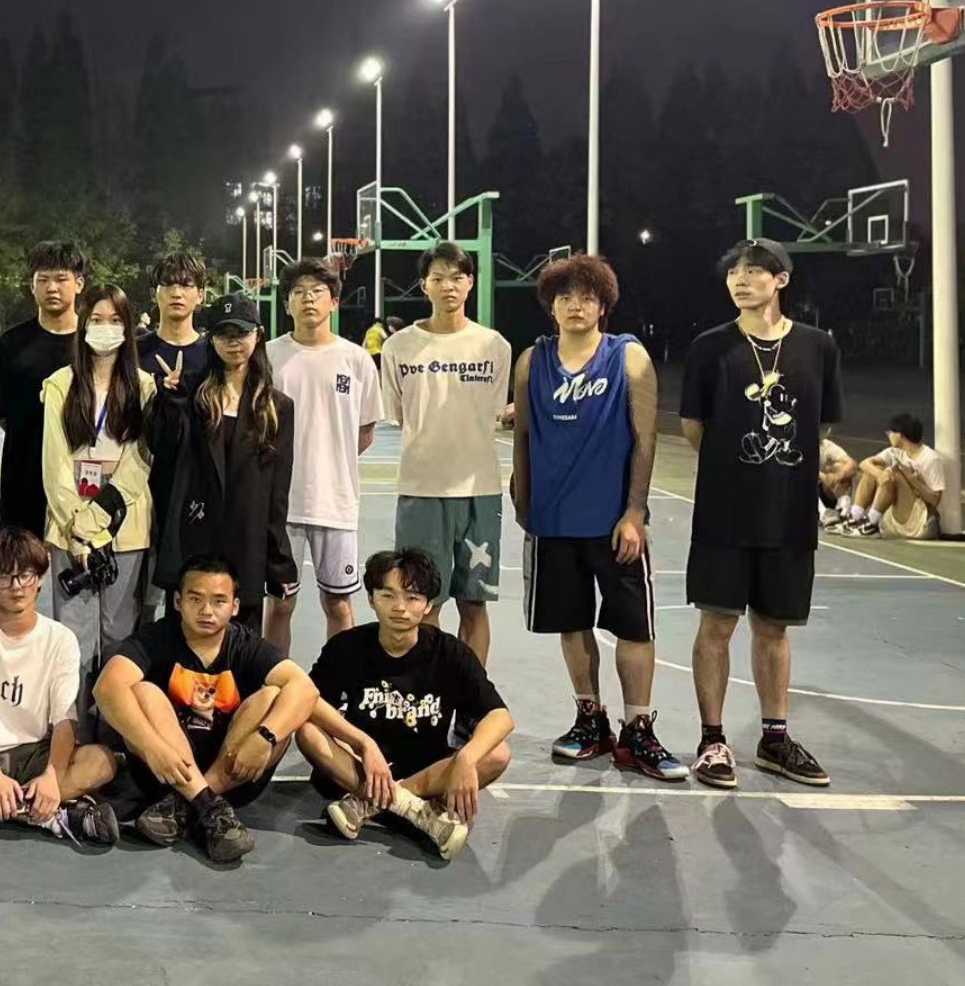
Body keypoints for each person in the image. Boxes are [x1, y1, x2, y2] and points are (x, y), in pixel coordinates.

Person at [511, 255, 685, 781]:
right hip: (553, 520)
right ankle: (591, 719)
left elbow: (645, 438)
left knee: (634, 626)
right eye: (564, 297)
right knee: (572, 623)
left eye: (586, 297)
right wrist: (523, 500)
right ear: (551, 306)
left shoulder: (627, 356)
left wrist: (635, 511)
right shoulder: (532, 361)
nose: (575, 306)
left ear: (603, 305)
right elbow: (523, 435)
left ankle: (638, 729)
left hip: (613, 523)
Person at [680, 238, 841, 790]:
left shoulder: (818, 347)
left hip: (789, 515)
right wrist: (736, 469)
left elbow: (820, 424)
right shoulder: (709, 348)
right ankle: (712, 740)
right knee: (716, 625)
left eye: (754, 271)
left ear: (781, 280)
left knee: (773, 629)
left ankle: (775, 739)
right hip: (724, 513)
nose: (741, 280)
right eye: (734, 273)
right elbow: (694, 426)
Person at [93, 555, 320, 863]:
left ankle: (191, 804)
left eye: (218, 601)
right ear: (178, 601)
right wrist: (152, 747)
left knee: (272, 699)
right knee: (143, 692)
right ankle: (212, 812)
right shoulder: (157, 638)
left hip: (232, 773)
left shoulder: (245, 645)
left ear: (235, 607)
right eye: (196, 599)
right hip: (164, 774)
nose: (206, 611)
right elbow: (106, 687)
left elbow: (305, 690)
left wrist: (265, 737)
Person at [296, 549, 514, 860]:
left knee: (497, 753)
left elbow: (500, 716)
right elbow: (307, 701)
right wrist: (363, 743)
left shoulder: (449, 652)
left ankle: (369, 805)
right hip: (360, 768)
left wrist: (466, 758)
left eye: (412, 598)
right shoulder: (346, 647)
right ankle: (418, 812)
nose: (400, 607)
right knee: (307, 732)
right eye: (388, 595)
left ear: (428, 605)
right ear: (371, 598)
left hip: (427, 769)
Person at [0, 528, 121, 844]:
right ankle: (53, 815)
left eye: (26, 575)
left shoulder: (60, 639)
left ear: (40, 578)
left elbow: (64, 718)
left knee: (102, 760)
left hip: (35, 751)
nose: (17, 586)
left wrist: (52, 776)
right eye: (5, 577)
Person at [380, 242, 513, 664]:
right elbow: (400, 414)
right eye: (438, 278)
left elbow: (493, 412)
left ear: (470, 283)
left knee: (474, 603)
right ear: (424, 286)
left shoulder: (494, 346)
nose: (448, 286)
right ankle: (430, 690)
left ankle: (471, 692)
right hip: (421, 490)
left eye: (457, 277)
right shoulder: (399, 347)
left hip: (479, 491)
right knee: (423, 603)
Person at [147, 292, 295, 634]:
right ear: (211, 339)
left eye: (241, 333)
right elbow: (161, 449)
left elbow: (278, 493)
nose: (233, 342)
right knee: (184, 640)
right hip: (194, 540)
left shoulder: (277, 407)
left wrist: (278, 562)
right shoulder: (189, 394)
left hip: (246, 543)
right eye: (224, 334)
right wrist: (169, 400)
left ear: (258, 335)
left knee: (241, 645)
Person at [42, 282, 155, 683]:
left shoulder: (144, 386)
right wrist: (78, 527)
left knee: (119, 636)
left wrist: (97, 519)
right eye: (96, 319)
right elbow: (54, 463)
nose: (105, 328)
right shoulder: (60, 384)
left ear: (127, 327)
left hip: (126, 525)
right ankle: (72, 723)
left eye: (114, 320)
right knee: (73, 637)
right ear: (83, 325)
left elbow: (141, 461)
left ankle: (113, 722)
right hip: (69, 526)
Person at [266, 259, 383, 648]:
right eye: (298, 292)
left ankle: (340, 680)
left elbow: (364, 432)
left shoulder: (356, 360)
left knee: (338, 604)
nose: (307, 299)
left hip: (336, 503)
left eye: (317, 291)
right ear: (287, 304)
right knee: (280, 604)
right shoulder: (267, 357)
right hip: (280, 504)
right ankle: (274, 679)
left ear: (334, 301)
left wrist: (331, 465)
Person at [0, 240, 85, 535]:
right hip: (22, 474)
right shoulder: (11, 344)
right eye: (43, 280)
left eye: (60, 279)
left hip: (81, 476)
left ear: (79, 283)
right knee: (20, 558)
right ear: (32, 286)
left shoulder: (93, 343)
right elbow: (0, 409)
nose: (52, 288)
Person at [833, 413, 945, 540]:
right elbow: (864, 464)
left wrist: (911, 479)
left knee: (894, 473)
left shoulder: (930, 459)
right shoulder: (894, 452)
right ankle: (855, 517)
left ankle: (871, 523)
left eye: (890, 433)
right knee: (874, 468)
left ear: (900, 435)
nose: (889, 436)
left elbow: (935, 500)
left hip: (919, 519)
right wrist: (880, 474)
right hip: (897, 514)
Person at [135, 251, 211, 390]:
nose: (176, 294)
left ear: (200, 296)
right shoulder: (134, 351)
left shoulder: (213, 353)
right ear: (153, 294)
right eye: (168, 284)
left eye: (186, 285)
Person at [818, 437, 860, 528]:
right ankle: (822, 513)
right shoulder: (796, 444)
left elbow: (852, 464)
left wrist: (837, 476)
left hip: (824, 491)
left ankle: (844, 506)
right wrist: (824, 477)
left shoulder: (826, 445)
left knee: (840, 467)